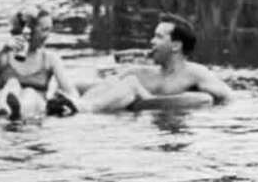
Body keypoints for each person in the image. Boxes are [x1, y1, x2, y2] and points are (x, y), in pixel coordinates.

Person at [78, 16, 234, 112]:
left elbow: (228, 98)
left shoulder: (196, 74)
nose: (152, 41)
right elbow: (101, 86)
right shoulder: (138, 73)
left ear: (175, 46)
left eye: (158, 37)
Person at [0, 5, 81, 121]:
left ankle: (15, 110)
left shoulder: (49, 59)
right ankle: (7, 109)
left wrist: (63, 103)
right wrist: (2, 50)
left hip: (35, 109)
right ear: (29, 31)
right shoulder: (4, 55)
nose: (48, 35)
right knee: (12, 83)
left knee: (29, 92)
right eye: (44, 30)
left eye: (49, 29)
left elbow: (71, 92)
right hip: (6, 101)